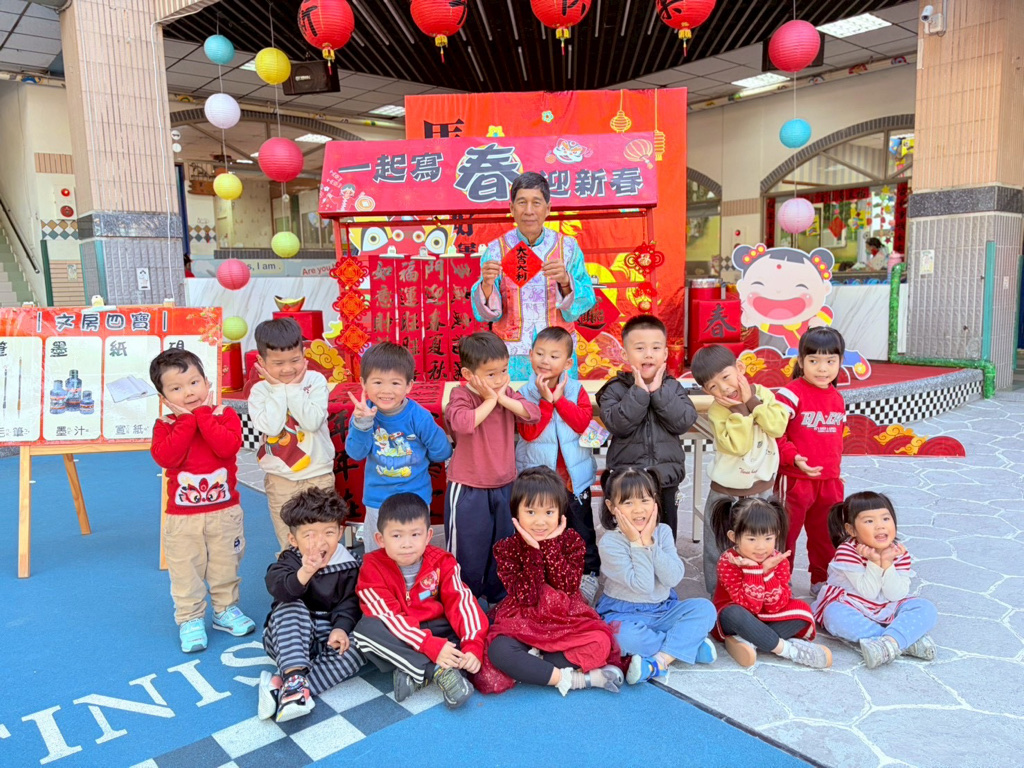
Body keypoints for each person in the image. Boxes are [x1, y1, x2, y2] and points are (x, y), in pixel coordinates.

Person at [475, 467, 625, 696]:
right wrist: (533, 551)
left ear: (560, 513)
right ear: (516, 512)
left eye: (548, 512)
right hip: (523, 620)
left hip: (565, 618)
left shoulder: (572, 541)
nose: (540, 522)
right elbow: (527, 596)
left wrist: (550, 547)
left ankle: (533, 666)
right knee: (498, 650)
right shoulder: (507, 548)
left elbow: (568, 586)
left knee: (601, 642)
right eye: (531, 512)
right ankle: (576, 679)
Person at [149, 348, 256, 653]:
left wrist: (203, 416)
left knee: (226, 564)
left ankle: (225, 610)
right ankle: (190, 619)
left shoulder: (224, 415)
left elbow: (226, 447)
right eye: (176, 388)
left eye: (194, 383)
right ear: (164, 397)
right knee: (186, 570)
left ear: (208, 383)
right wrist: (186, 421)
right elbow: (167, 457)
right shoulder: (165, 425)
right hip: (182, 518)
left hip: (225, 512)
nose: (189, 393)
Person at [352, 493, 487, 710]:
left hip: (437, 629)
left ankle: (413, 673)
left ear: (428, 536)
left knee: (472, 615)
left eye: (415, 534)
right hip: (399, 635)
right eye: (396, 536)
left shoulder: (442, 561)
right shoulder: (372, 568)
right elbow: (389, 617)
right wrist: (429, 646)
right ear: (380, 539)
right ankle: (436, 671)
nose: (407, 544)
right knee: (365, 631)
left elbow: (461, 601)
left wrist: (473, 645)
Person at [596, 467, 718, 685]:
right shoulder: (610, 543)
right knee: (622, 638)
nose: (638, 509)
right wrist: (637, 543)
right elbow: (642, 585)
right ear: (612, 507)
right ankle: (686, 645)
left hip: (663, 610)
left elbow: (673, 578)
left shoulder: (662, 532)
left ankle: (659, 661)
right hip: (624, 613)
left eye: (644, 500)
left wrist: (650, 543)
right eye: (628, 503)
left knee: (705, 609)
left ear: (655, 501)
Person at [444, 331, 540, 602]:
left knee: (504, 547)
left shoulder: (507, 394)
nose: (499, 379)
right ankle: (465, 602)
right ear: (468, 374)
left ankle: (499, 602)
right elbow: (463, 423)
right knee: (468, 551)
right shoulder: (461, 395)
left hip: (505, 485)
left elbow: (533, 414)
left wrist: (502, 398)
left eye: (504, 371)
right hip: (469, 488)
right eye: (491, 374)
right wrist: (489, 400)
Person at [472, 171, 596, 379]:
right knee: (514, 400)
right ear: (512, 208)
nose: (529, 211)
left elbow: (587, 300)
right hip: (511, 354)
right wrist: (487, 285)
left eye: (536, 203)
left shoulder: (568, 248)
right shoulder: (496, 250)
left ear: (548, 209)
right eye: (522, 202)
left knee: (559, 400)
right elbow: (485, 315)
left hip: (557, 353)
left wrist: (566, 282)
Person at [259, 488, 365, 723]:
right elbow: (279, 588)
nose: (319, 542)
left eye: (329, 532)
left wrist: (341, 628)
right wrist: (306, 571)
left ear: (340, 533)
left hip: (328, 641)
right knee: (290, 606)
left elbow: (350, 602)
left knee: (361, 644)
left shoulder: (351, 565)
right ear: (293, 540)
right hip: (287, 641)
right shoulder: (290, 561)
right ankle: (294, 676)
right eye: (309, 535)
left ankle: (286, 688)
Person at [691, 344, 788, 593]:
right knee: (718, 543)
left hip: (762, 488)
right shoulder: (717, 411)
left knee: (762, 541)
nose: (724, 388)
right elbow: (738, 446)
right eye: (713, 386)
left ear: (740, 369)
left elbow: (777, 427)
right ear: (706, 391)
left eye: (726, 377)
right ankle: (718, 595)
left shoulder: (764, 395)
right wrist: (739, 410)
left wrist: (752, 402)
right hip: (726, 491)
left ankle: (762, 590)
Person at [516, 326, 601, 603]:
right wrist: (544, 401)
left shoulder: (576, 390)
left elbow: (581, 423)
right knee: (540, 528)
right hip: (540, 480)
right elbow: (529, 432)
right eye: (540, 353)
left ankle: (588, 574)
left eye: (554, 356)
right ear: (530, 355)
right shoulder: (524, 393)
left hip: (574, 478)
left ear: (567, 363)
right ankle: (542, 576)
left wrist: (559, 400)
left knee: (581, 527)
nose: (545, 360)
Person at [596, 314, 697, 540]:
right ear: (625, 354)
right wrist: (640, 392)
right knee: (628, 535)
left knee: (665, 534)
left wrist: (659, 392)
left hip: (665, 478)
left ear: (665, 354)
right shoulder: (614, 389)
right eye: (640, 348)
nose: (648, 354)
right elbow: (618, 424)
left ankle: (664, 564)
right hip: (628, 480)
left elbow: (684, 421)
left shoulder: (672, 387)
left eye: (655, 348)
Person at [345, 342, 452, 553]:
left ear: (409, 385)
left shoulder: (419, 416)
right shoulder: (362, 414)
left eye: (395, 383)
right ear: (363, 383)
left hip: (415, 498)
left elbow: (442, 452)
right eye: (377, 382)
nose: (386, 391)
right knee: (377, 554)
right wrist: (363, 424)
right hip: (378, 499)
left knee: (413, 551)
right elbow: (356, 453)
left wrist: (429, 434)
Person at [813, 492, 937, 669]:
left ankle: (888, 643)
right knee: (834, 615)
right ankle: (899, 640)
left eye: (885, 519)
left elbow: (896, 594)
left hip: (887, 604)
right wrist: (873, 562)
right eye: (869, 521)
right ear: (851, 530)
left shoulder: (898, 552)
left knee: (926, 608)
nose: (880, 526)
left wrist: (887, 564)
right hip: (851, 603)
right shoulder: (847, 551)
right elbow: (868, 592)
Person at [710, 497, 832, 669]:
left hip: (767, 616)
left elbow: (776, 606)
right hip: (736, 617)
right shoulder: (728, 561)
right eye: (752, 539)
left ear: (777, 534)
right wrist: (753, 572)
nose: (761, 547)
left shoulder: (778, 560)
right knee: (734, 613)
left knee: (803, 611)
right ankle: (788, 650)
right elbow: (750, 607)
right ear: (734, 536)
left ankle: (750, 639)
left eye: (768, 538)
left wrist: (767, 574)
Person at [248, 318, 336, 552]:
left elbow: (312, 421)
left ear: (304, 355)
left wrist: (294, 390)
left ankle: (325, 576)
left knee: (322, 542)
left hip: (318, 475)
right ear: (261, 362)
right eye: (278, 363)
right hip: (281, 479)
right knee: (290, 543)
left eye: (295, 360)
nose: (287, 369)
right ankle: (292, 575)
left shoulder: (315, 381)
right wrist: (279, 390)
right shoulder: (259, 391)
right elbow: (271, 427)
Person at [775, 327, 848, 594]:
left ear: (840, 362)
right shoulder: (790, 394)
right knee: (785, 534)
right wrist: (794, 459)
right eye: (814, 360)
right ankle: (778, 580)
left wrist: (834, 471)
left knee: (827, 535)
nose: (822, 368)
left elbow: (835, 439)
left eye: (830, 361)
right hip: (795, 481)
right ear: (801, 360)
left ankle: (821, 580)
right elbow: (775, 434)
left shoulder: (837, 398)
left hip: (829, 482)